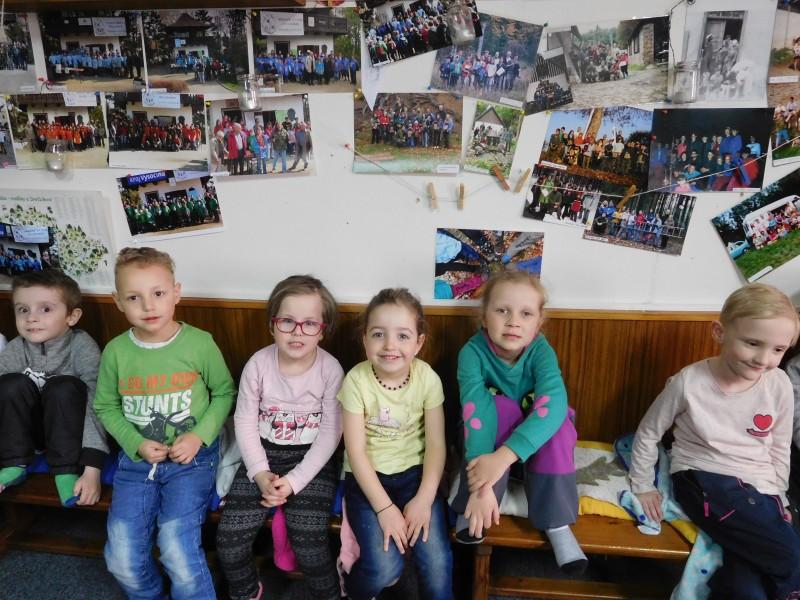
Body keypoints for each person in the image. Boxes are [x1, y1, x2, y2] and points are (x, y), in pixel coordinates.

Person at [630, 283, 800, 600]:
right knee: (790, 555)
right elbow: (649, 432)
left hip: (760, 486)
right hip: (704, 475)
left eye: (778, 350)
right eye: (752, 343)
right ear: (719, 332)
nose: (763, 359)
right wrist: (642, 484)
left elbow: (779, 445)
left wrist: (780, 497)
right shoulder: (689, 382)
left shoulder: (778, 383)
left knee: (748, 586)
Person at [94, 247, 235, 600]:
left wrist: (198, 437)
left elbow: (224, 393)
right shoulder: (116, 352)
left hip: (192, 461)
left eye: (158, 293)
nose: (148, 305)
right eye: (134, 297)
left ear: (176, 293)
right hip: (136, 462)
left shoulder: (199, 344)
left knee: (175, 546)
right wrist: (135, 443)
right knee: (120, 557)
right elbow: (106, 406)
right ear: (117, 301)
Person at [451, 270, 587, 574]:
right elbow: (476, 413)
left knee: (559, 420)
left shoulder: (541, 351)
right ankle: (476, 504)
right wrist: (482, 487)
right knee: (499, 407)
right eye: (502, 310)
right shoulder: (471, 353)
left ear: (538, 323)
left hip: (526, 450)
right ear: (484, 317)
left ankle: (557, 523)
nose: (513, 321)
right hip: (484, 441)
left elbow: (554, 403)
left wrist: (504, 457)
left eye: (526, 314)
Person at [216, 275, 343, 600]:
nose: (297, 331)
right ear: (272, 325)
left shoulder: (331, 370)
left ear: (322, 329)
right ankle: (247, 591)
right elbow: (244, 420)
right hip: (263, 454)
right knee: (229, 540)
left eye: (309, 323)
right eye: (287, 321)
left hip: (311, 459)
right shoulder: (258, 364)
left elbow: (331, 433)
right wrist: (260, 473)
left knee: (309, 541)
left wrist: (294, 482)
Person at [339, 288, 453, 600]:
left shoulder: (427, 378)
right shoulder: (356, 381)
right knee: (384, 568)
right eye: (378, 334)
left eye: (403, 336)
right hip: (368, 480)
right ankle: (351, 588)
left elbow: (437, 445)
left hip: (416, 476)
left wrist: (424, 499)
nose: (390, 345)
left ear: (419, 342)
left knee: (437, 563)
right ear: (365, 340)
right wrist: (385, 508)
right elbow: (355, 451)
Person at [0, 271, 108, 506]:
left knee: (63, 386)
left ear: (72, 316)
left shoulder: (81, 346)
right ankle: (15, 463)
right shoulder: (16, 348)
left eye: (45, 309)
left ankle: (65, 470)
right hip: (32, 435)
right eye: (23, 309)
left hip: (70, 436)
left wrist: (93, 465)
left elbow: (98, 402)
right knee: (8, 383)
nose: (31, 318)